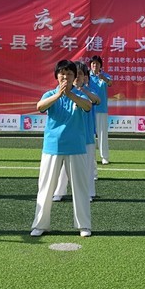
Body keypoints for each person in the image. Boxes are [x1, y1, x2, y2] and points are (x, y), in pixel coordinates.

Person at [31, 60, 94, 238]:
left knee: (80, 188)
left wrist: (69, 94)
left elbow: (88, 106)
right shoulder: (50, 94)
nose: (65, 77)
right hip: (52, 147)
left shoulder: (79, 94)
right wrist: (59, 95)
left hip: (76, 147)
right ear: (57, 76)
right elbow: (40, 106)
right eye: (62, 74)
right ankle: (40, 225)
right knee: (45, 188)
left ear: (74, 77)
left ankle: (84, 225)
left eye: (69, 74)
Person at [54, 66, 101, 203]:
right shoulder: (66, 92)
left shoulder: (88, 91)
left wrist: (83, 90)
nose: (78, 77)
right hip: (71, 135)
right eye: (76, 74)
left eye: (81, 74)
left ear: (86, 77)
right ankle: (59, 192)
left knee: (87, 167)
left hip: (87, 136)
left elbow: (97, 100)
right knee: (64, 167)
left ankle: (88, 193)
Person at [88, 56, 115, 165]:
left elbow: (110, 83)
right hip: (89, 109)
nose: (95, 65)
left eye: (97, 64)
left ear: (100, 66)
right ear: (90, 65)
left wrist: (103, 78)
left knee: (102, 134)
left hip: (101, 109)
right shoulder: (87, 76)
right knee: (90, 134)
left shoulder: (105, 75)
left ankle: (104, 157)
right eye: (93, 63)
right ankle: (91, 157)